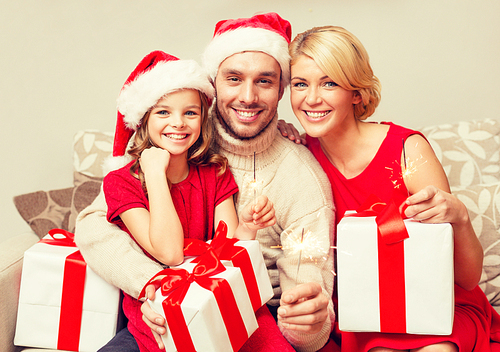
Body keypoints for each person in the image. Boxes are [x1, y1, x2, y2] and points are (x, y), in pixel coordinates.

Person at [75, 13, 335, 352]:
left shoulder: (293, 176)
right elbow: (93, 226)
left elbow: (304, 302)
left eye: (265, 82)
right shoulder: (179, 138)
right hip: (156, 313)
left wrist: (308, 321)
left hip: (245, 313)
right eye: (233, 78)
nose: (248, 97)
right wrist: (151, 286)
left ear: (281, 89)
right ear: (213, 84)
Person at [281, 25, 500, 351]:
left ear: (356, 92)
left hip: (440, 308)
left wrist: (460, 218)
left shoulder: (407, 149)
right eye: (301, 84)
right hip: (368, 314)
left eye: (329, 83)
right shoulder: (299, 157)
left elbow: (466, 280)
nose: (312, 98)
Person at [100, 50, 279, 351]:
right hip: (158, 312)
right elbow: (169, 253)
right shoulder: (121, 183)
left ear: (202, 119)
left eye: (190, 113)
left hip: (215, 299)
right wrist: (155, 174)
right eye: (163, 112)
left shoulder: (214, 171)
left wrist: (247, 227)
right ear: (143, 120)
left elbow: (228, 250)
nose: (178, 123)